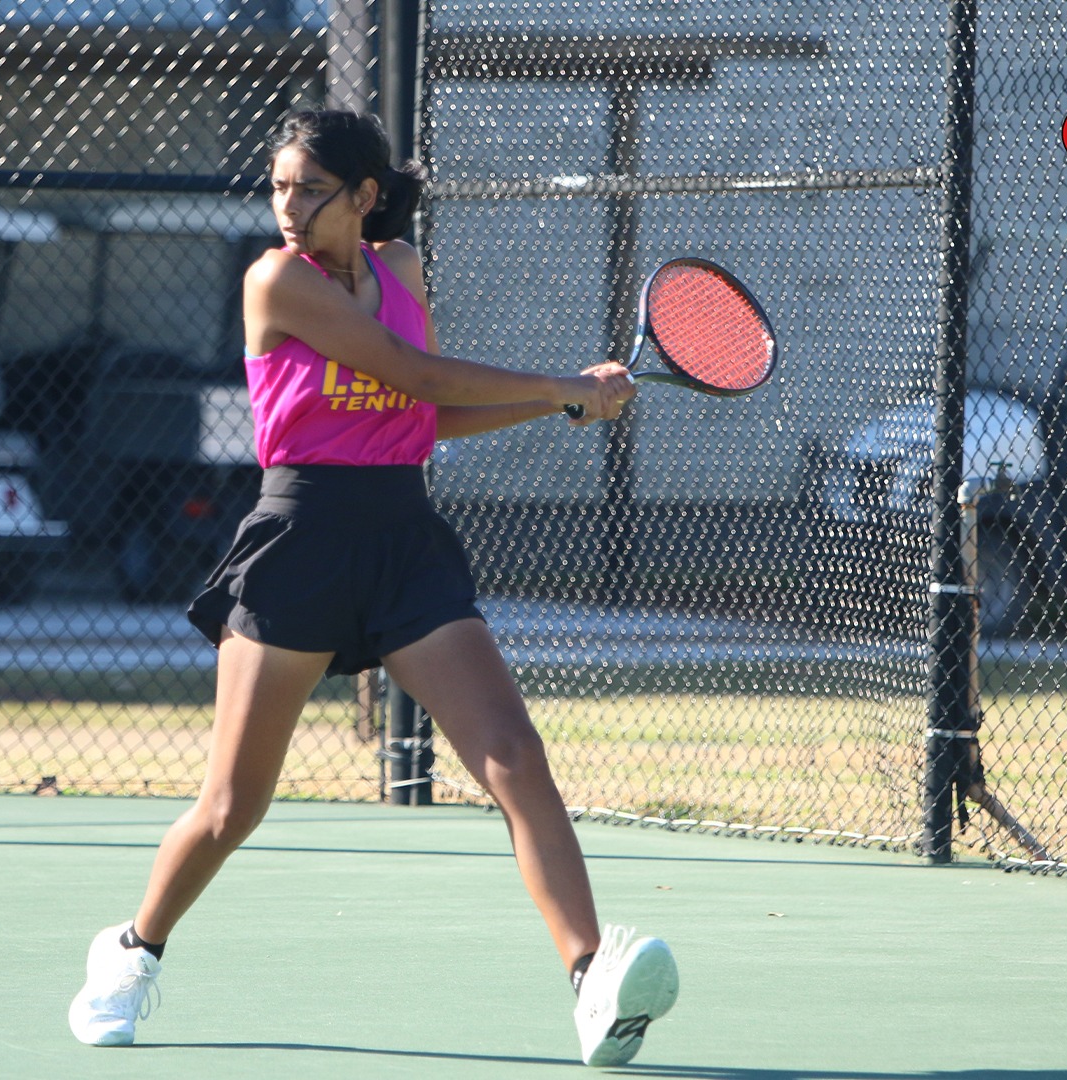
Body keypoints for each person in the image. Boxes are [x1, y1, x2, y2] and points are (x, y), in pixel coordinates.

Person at [69, 109, 678, 1068]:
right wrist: (564, 383)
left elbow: (420, 413)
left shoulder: (399, 270)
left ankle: (591, 979)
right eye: (277, 188)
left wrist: (562, 400)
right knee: (233, 806)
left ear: (363, 197)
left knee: (515, 755)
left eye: (310, 190)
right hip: (300, 537)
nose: (288, 208)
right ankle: (132, 951)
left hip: (402, 538)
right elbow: (409, 369)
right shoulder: (276, 281)